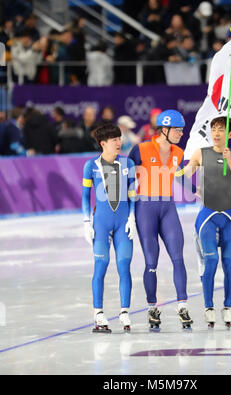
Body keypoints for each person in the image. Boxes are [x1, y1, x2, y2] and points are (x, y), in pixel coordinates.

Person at [128, 109, 193, 331]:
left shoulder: (178, 152)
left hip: (168, 207)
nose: (180, 133)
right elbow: (126, 177)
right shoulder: (141, 149)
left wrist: (198, 190)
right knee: (151, 262)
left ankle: (182, 305)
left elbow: (181, 176)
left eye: (182, 130)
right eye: (177, 130)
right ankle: (152, 306)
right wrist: (122, 210)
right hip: (145, 208)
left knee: (178, 257)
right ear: (164, 129)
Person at [182, 116, 231, 328]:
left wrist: (229, 161)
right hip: (207, 217)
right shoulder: (201, 153)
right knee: (210, 262)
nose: (216, 133)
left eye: (221, 130)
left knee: (228, 263)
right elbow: (181, 176)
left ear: (230, 134)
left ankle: (227, 307)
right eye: (213, 129)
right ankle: (208, 307)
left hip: (230, 217)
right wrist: (193, 188)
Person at [82, 122, 137, 333]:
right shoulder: (91, 166)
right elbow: (85, 197)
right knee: (101, 267)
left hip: (124, 221)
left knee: (125, 267)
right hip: (101, 223)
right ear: (103, 143)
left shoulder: (128, 164)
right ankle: (98, 312)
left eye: (120, 138)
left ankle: (124, 312)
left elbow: (132, 195)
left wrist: (132, 217)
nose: (119, 142)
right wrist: (87, 223)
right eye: (114, 140)